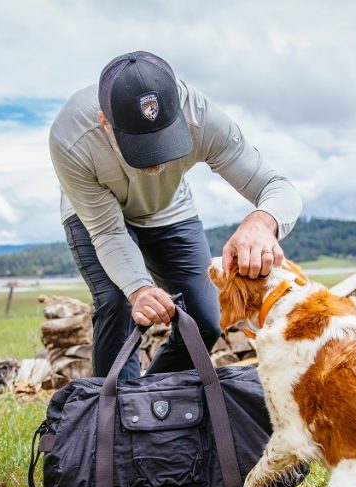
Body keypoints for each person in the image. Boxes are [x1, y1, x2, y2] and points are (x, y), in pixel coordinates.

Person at [48, 50, 302, 378]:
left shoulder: (203, 118)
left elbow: (277, 186)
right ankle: (115, 418)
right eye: (141, 144)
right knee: (117, 303)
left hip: (169, 209)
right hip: (98, 216)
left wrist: (261, 222)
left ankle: (153, 402)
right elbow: (108, 233)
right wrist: (139, 289)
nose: (157, 160)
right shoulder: (70, 137)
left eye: (165, 139)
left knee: (204, 320)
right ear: (105, 124)